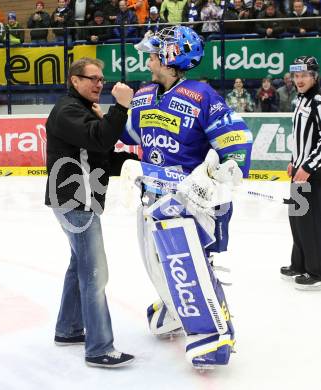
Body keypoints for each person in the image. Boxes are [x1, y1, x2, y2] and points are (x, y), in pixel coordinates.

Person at [121, 26, 252, 368]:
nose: (147, 59)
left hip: (187, 200)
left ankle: (216, 336)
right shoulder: (144, 94)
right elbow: (130, 132)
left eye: (153, 53)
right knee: (157, 263)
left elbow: (235, 139)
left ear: (170, 56)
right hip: (151, 195)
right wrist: (120, 109)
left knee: (189, 267)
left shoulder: (202, 96)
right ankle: (175, 308)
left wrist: (230, 167)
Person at [45, 57, 136, 367]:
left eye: (102, 78)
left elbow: (101, 156)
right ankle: (99, 348)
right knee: (94, 275)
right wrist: (120, 107)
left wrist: (138, 164)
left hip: (77, 201)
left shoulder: (81, 110)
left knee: (78, 266)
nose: (101, 84)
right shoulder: (67, 111)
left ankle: (69, 329)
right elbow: (100, 137)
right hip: (76, 203)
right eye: (93, 78)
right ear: (75, 80)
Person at [280, 56, 321, 290]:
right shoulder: (300, 100)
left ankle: (316, 271)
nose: (300, 80)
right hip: (299, 171)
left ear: (314, 77)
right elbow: (300, 138)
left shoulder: (318, 101)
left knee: (310, 222)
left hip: (313, 175)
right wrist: (293, 161)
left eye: (305, 75)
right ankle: (300, 264)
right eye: (296, 76)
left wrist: (308, 167)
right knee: (297, 219)